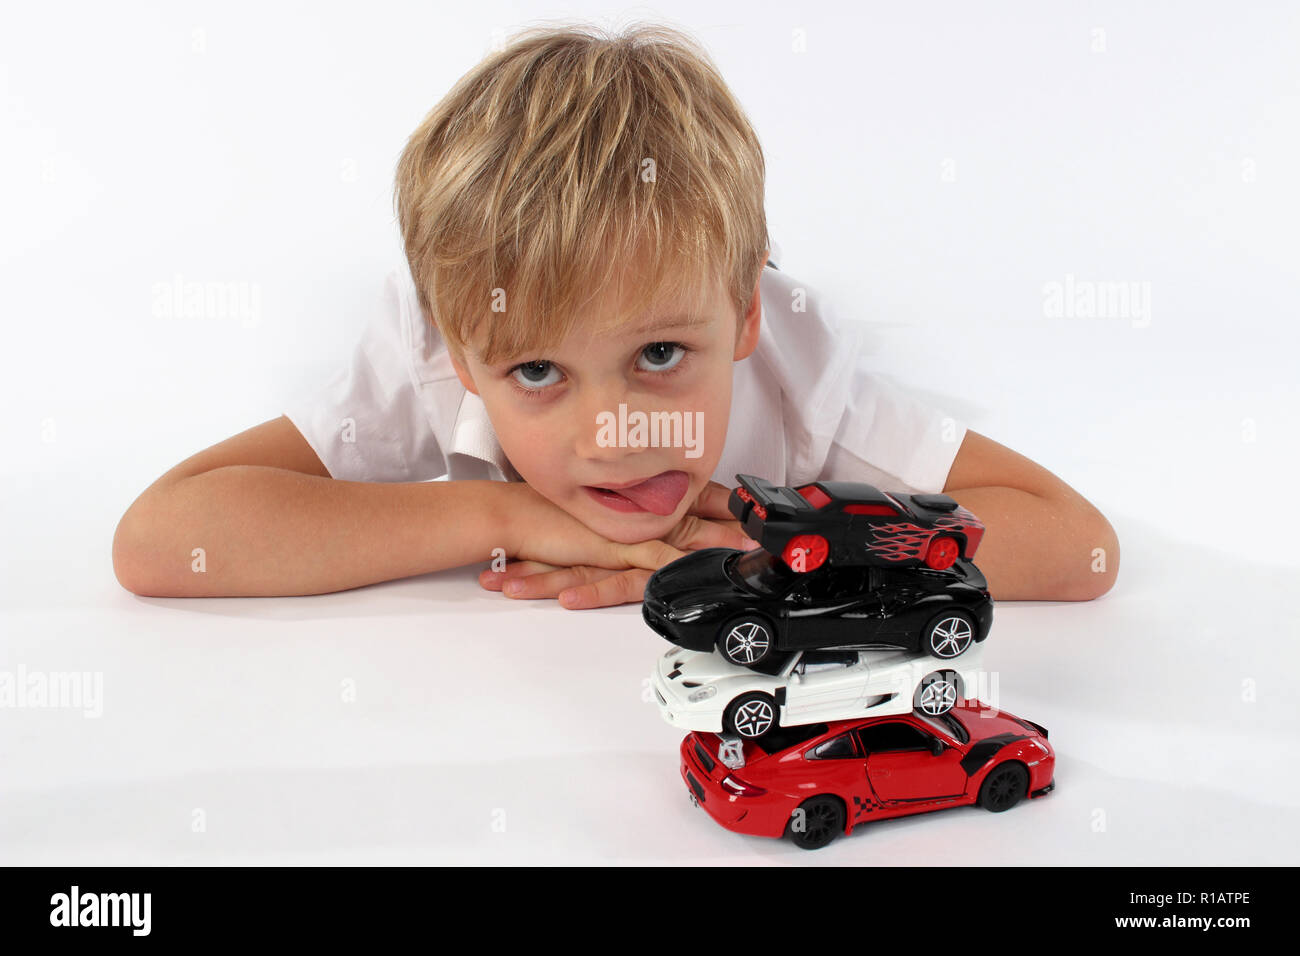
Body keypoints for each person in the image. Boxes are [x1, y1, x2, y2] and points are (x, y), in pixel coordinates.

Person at [112, 21, 1118, 606]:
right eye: (537, 372)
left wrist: (772, 563)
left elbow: (1076, 545)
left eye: (663, 351)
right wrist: (505, 514)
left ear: (745, 311)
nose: (614, 433)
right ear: (463, 357)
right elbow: (161, 537)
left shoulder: (800, 377)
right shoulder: (434, 336)